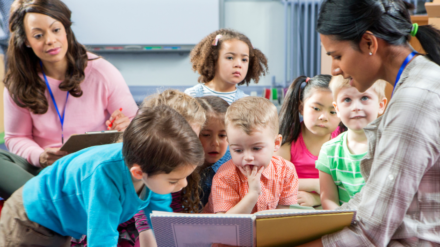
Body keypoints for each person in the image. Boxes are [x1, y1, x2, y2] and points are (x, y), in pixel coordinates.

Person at [299, 0, 440, 246]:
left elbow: (369, 232)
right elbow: (371, 199)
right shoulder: (418, 81)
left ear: (369, 43)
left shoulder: (413, 100)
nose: (334, 69)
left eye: (338, 56)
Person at [0, 105, 205, 247]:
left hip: (60, 224)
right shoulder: (104, 177)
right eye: (174, 181)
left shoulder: (154, 169)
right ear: (138, 173)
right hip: (30, 220)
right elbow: (102, 238)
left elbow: (159, 219)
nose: (182, 185)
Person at [0, 0, 137, 198]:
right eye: (38, 35)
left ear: (66, 29)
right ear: (27, 41)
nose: (50, 40)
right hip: (44, 172)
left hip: (93, 170)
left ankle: (43, 202)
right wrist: (41, 156)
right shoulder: (19, 82)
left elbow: (135, 124)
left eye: (56, 30)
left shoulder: (101, 71)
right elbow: (16, 137)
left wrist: (125, 126)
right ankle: (54, 201)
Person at [72, 89, 207, 247]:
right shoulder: (144, 172)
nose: (186, 144)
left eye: (191, 137)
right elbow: (146, 227)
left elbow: (163, 220)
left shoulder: (180, 166)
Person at [204, 96, 299, 214]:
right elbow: (227, 224)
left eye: (256, 148)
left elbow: (281, 216)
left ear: (276, 143)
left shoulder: (286, 171)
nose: (248, 157)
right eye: (238, 150)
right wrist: (253, 194)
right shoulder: (225, 176)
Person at [317, 77, 387, 210]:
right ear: (337, 109)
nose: (356, 107)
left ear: (381, 105)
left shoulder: (391, 145)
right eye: (347, 100)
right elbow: (328, 199)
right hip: (344, 223)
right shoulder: (329, 151)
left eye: (364, 98)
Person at [275, 75, 341, 207]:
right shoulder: (288, 139)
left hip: (332, 204)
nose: (323, 117)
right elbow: (275, 181)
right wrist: (316, 184)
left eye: (333, 112)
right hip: (295, 204)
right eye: (316, 109)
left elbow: (349, 184)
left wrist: (318, 196)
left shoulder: (343, 140)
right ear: (301, 108)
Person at [184, 29, 268, 104]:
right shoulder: (192, 95)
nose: (238, 64)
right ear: (214, 59)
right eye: (230, 57)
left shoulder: (246, 103)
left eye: (244, 60)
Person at [196, 96, 231, 207]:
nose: (215, 142)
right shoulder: (180, 167)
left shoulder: (233, 165)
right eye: (206, 135)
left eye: (222, 135)